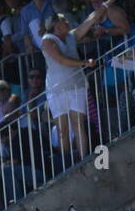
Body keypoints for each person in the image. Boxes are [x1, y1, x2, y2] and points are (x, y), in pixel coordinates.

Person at [40, 14, 99, 165]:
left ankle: (84, 159)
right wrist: (84, 62)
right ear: (56, 26)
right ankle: (67, 164)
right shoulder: (47, 40)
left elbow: (89, 20)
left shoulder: (71, 36)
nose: (67, 22)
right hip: (56, 90)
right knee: (62, 129)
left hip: (76, 86)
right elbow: (60, 59)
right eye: (64, 21)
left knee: (79, 124)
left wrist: (107, 4)